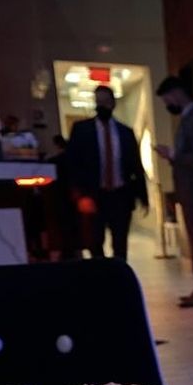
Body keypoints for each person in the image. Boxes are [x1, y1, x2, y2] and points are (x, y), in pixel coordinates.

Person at [67, 84, 148, 261]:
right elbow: (73, 165)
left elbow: (135, 164)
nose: (101, 106)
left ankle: (118, 277)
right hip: (95, 195)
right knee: (95, 241)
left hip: (120, 195)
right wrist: (80, 196)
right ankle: (101, 276)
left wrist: (143, 196)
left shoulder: (125, 132)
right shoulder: (82, 130)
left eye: (105, 102)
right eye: (98, 102)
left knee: (120, 242)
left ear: (113, 104)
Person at [155, 75, 193, 307]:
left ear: (176, 94)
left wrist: (174, 155)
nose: (168, 104)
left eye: (167, 98)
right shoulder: (189, 119)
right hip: (189, 188)